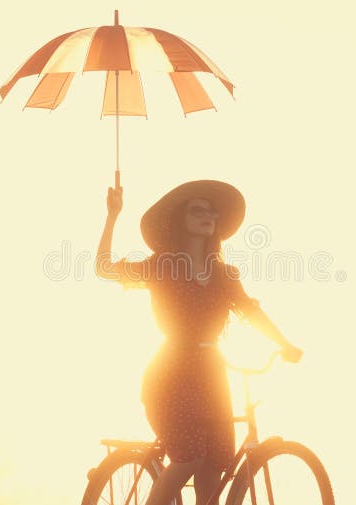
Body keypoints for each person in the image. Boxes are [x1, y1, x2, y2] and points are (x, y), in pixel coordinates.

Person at [96, 180, 303, 505]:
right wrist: (112, 216)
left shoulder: (225, 275)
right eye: (197, 209)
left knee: (214, 469)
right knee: (189, 456)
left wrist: (285, 343)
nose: (207, 215)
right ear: (181, 220)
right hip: (171, 375)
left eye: (211, 211)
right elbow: (104, 269)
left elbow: (251, 311)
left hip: (212, 377)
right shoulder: (162, 265)